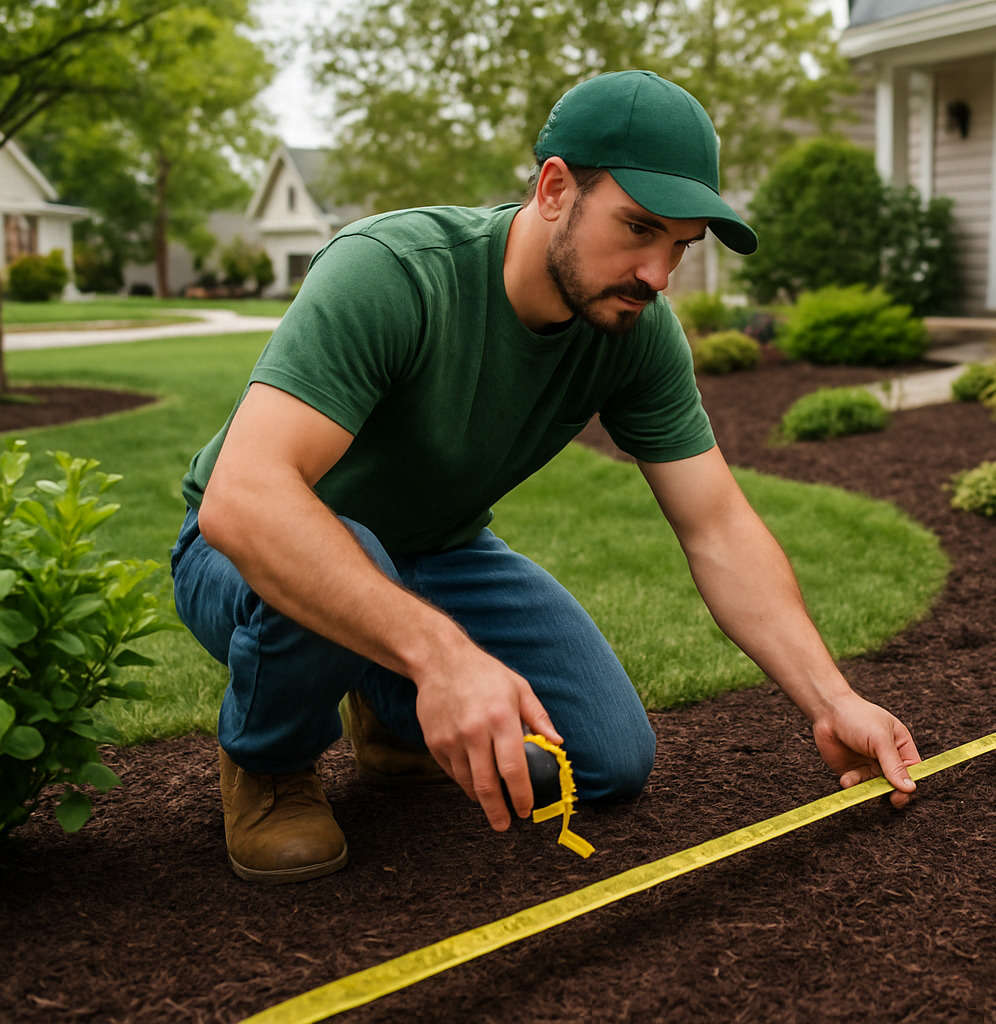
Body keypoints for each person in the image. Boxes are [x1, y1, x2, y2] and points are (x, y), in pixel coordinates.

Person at [170, 70, 921, 885]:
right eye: (639, 228)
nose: (658, 273)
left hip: (438, 551)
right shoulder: (392, 271)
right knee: (348, 558)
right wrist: (444, 659)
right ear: (555, 188)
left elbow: (718, 527)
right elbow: (245, 501)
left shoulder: (637, 331)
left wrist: (833, 701)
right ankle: (270, 762)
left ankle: (386, 705)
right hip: (248, 553)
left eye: (680, 245)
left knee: (607, 760)